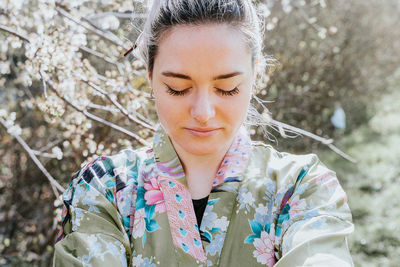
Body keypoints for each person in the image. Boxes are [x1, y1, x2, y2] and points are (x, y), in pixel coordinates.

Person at [53, 0, 354, 266]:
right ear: (150, 76)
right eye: (178, 88)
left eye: (227, 88)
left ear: (255, 74)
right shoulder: (105, 189)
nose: (203, 112)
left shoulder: (301, 186)